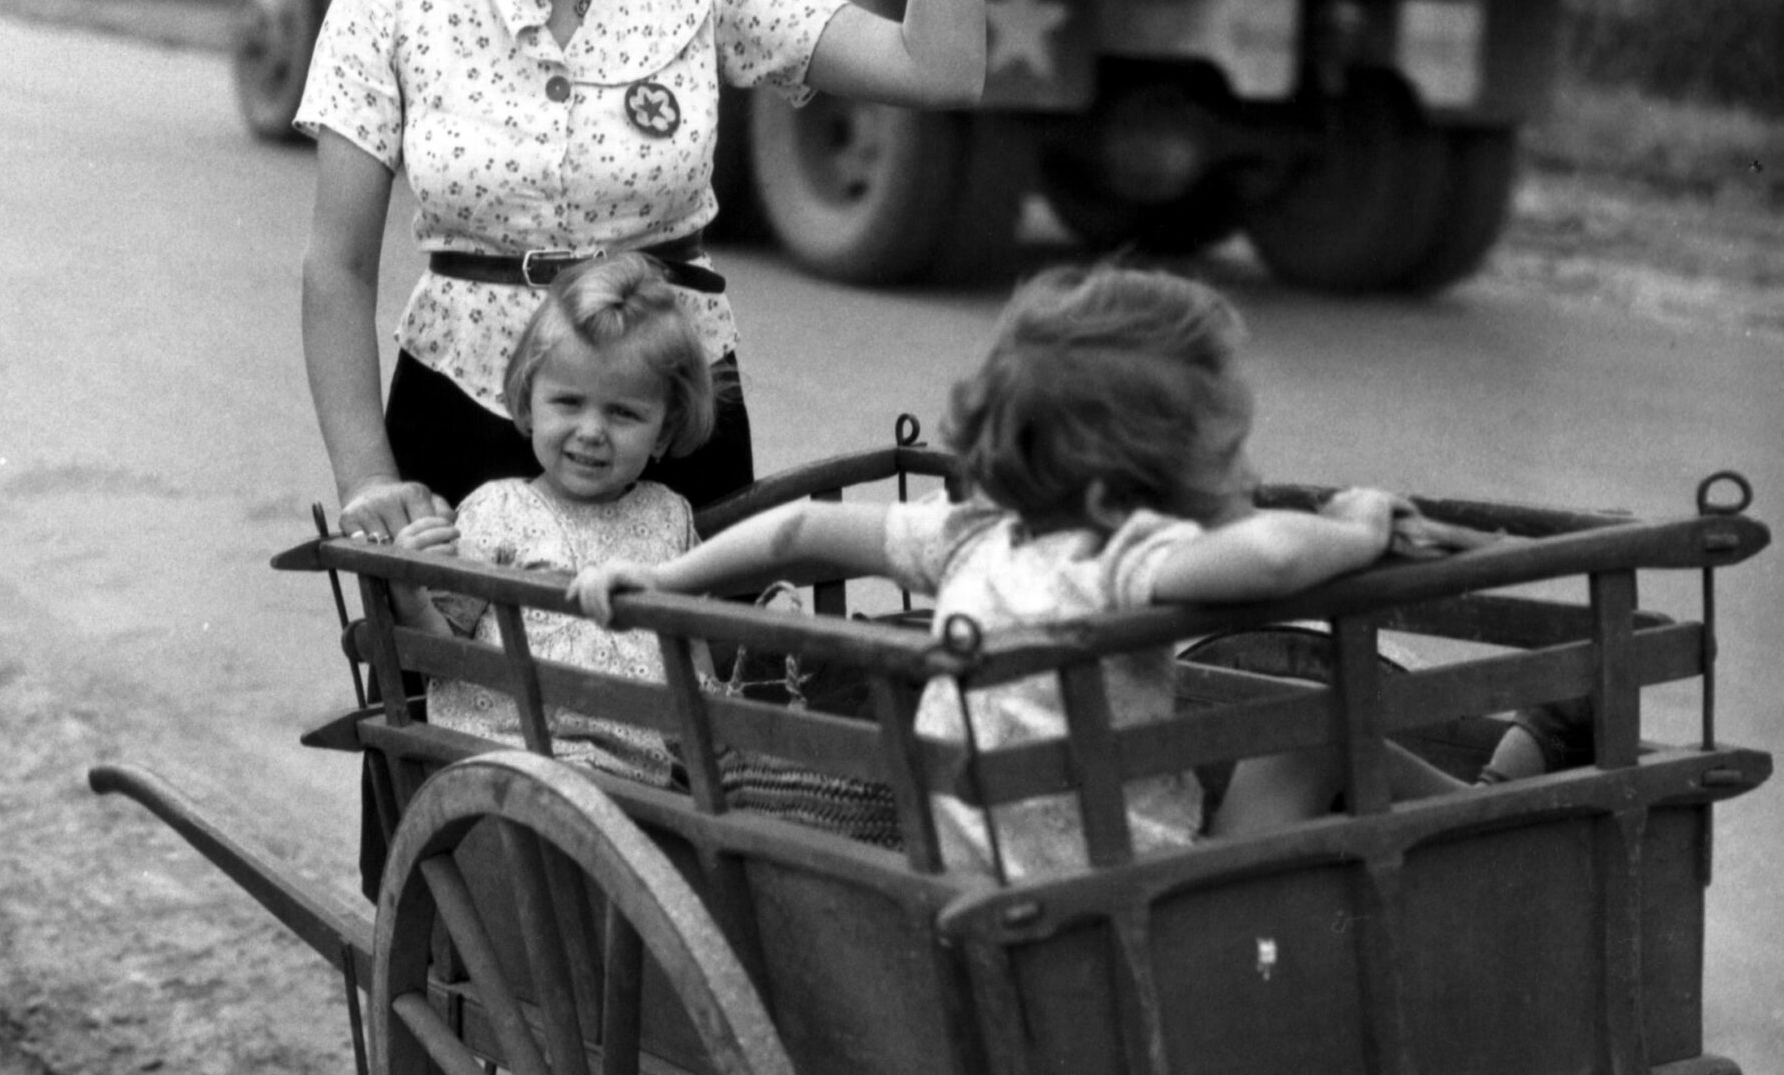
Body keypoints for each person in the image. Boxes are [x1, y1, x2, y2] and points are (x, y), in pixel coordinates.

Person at [296, 0, 985, 1075]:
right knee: (445, 827)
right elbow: (331, 271)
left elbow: (945, 66)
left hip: (683, 437)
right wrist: (370, 482)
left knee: (697, 786)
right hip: (460, 423)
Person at [573, 264, 1470, 879]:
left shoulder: (970, 538)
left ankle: (1500, 800)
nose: (1242, 476)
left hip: (976, 883)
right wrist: (1354, 525)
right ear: (1141, 478)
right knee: (1313, 733)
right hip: (1136, 895)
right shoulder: (1116, 560)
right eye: (1227, 454)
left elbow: (796, 531)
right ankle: (1504, 815)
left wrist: (663, 582)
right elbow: (1274, 552)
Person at [386, 251, 716, 784]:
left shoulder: (667, 516)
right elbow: (441, 656)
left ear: (664, 426)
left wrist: (711, 749)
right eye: (567, 403)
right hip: (511, 762)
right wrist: (411, 597)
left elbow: (691, 650)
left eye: (624, 413)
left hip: (639, 778)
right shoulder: (497, 511)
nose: (591, 431)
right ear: (528, 401)